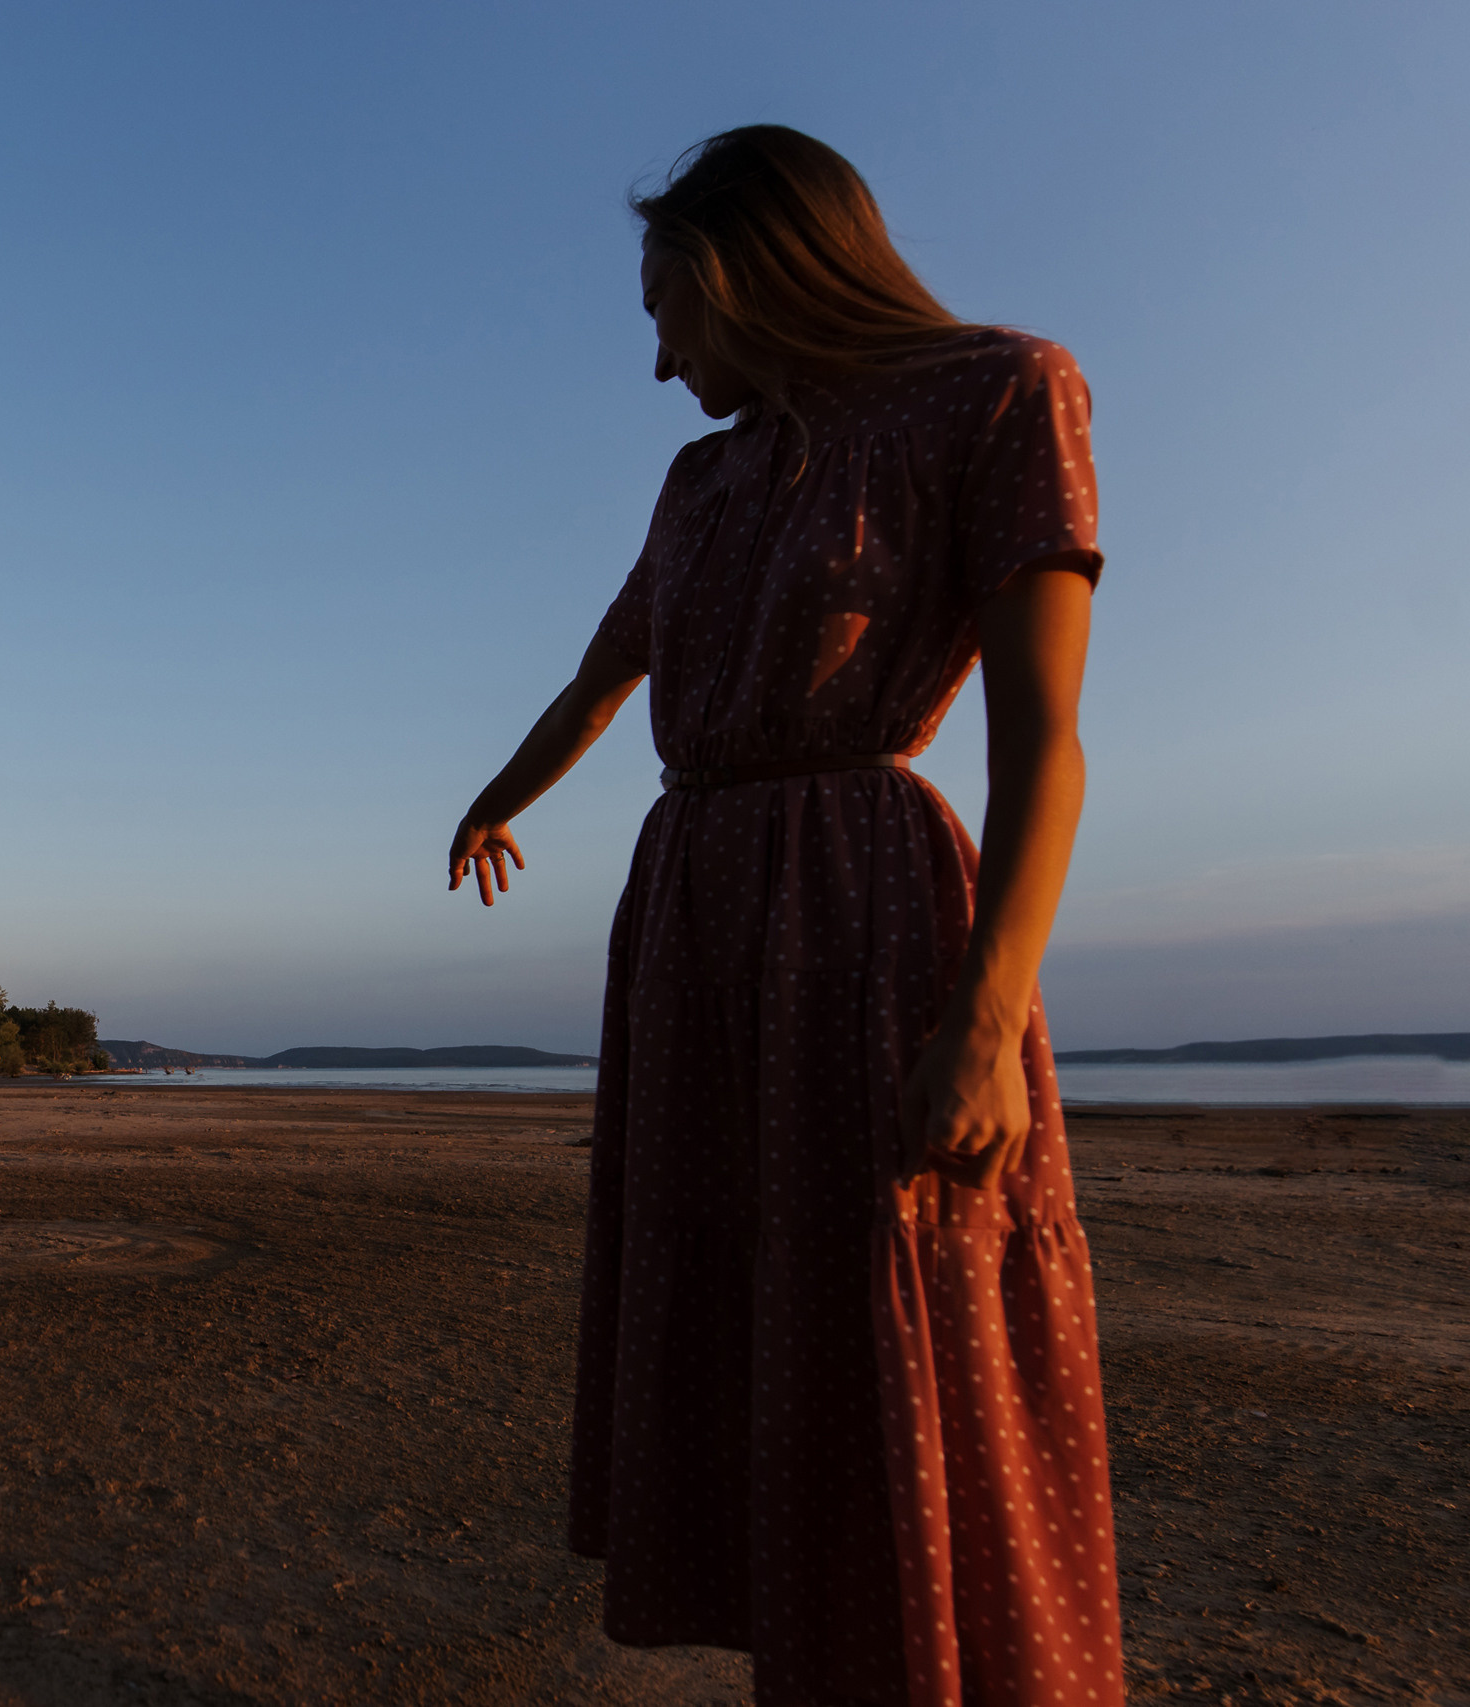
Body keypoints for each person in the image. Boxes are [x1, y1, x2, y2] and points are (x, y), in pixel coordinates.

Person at [448, 126, 1119, 1706]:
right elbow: (603, 679)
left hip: (868, 907)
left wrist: (985, 1016)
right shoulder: (701, 479)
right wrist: (496, 797)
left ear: (744, 270)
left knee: (909, 1296)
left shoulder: (1005, 389)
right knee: (740, 1301)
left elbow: (1046, 739)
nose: (661, 360)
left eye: (664, 311)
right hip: (691, 920)